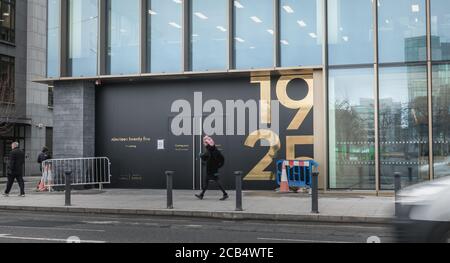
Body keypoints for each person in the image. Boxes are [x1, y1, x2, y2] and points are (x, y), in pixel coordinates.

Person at [195, 136, 229, 201]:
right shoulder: (210, 149)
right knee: (207, 182)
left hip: (212, 169)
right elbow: (207, 157)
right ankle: (201, 195)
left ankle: (225, 194)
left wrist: (201, 155)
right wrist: (202, 156)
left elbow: (207, 156)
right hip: (211, 169)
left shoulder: (211, 148)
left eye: (205, 142)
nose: (204, 143)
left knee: (217, 181)